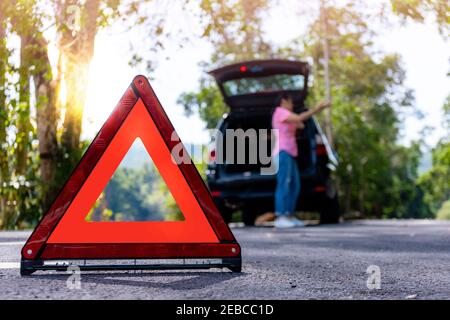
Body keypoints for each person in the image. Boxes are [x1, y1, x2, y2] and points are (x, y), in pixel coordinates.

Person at [272, 93, 330, 228]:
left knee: (295, 185)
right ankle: (281, 216)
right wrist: (317, 109)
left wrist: (297, 117)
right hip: (282, 153)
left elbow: (301, 125)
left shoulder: (287, 115)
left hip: (290, 153)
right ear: (283, 102)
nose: (292, 105)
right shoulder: (279, 112)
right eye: (290, 102)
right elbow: (299, 119)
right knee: (284, 184)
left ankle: (290, 215)